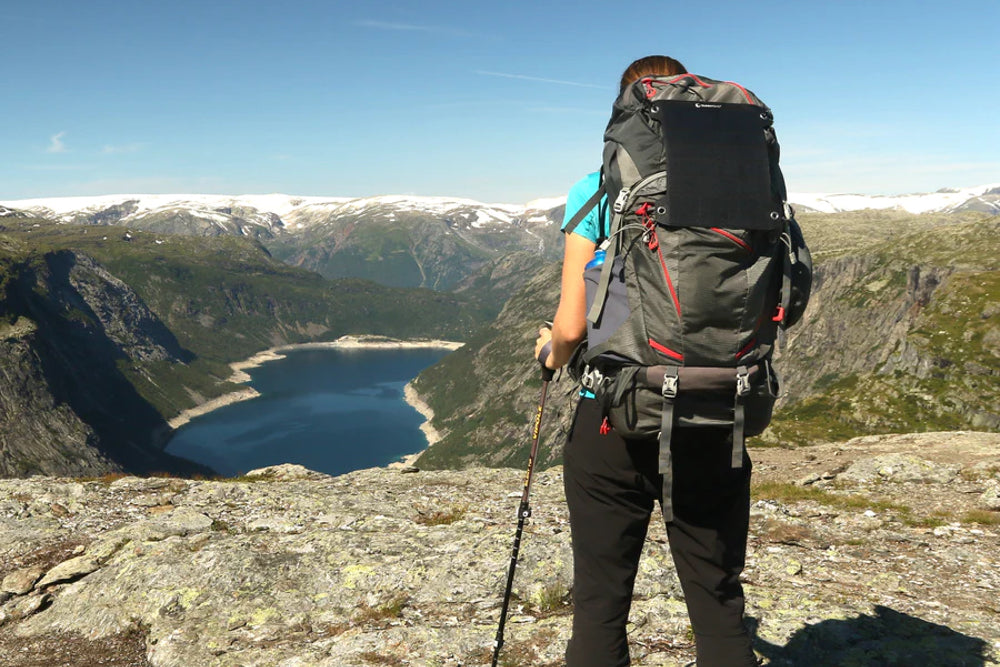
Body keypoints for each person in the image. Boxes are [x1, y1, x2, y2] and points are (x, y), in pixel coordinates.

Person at [534, 55, 760, 667]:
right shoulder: (746, 187)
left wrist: (550, 354)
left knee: (601, 604)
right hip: (717, 411)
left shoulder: (599, 188)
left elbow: (572, 325)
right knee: (717, 601)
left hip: (613, 413)